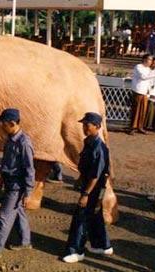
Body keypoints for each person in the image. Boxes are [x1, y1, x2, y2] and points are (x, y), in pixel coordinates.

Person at [0, 108, 35, 260]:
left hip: (17, 186)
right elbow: (7, 161)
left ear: (12, 123)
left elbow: (30, 169)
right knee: (18, 212)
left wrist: (28, 192)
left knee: (3, 217)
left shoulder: (24, 143)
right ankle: (25, 241)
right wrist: (1, 177)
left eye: (3, 124)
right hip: (9, 181)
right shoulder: (10, 138)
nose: (1, 126)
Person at [62, 112, 112, 263]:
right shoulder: (89, 142)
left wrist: (85, 194)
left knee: (81, 219)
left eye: (87, 125)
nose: (84, 127)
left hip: (94, 189)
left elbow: (96, 176)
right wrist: (79, 179)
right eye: (83, 124)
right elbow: (87, 168)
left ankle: (76, 250)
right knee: (95, 217)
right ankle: (102, 245)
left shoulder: (98, 148)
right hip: (89, 185)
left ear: (97, 127)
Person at [129, 54, 155, 135]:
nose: (150, 62)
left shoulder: (149, 69)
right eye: (149, 59)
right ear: (144, 59)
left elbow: (149, 81)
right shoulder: (138, 67)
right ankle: (132, 127)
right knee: (136, 110)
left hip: (145, 92)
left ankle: (140, 127)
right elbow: (143, 77)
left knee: (143, 110)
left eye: (151, 60)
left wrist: (149, 91)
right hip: (138, 91)